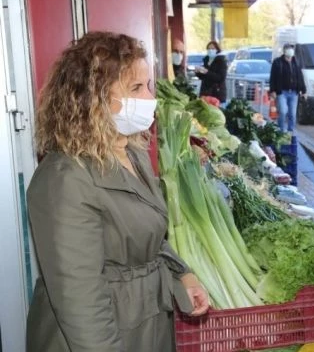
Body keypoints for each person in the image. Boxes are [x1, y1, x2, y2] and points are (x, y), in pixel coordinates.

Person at [26, 32, 209, 352]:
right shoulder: (64, 179)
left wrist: (182, 275)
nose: (150, 97)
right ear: (93, 99)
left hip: (144, 324)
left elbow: (149, 237)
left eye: (148, 85)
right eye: (136, 88)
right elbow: (81, 303)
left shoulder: (132, 153)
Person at [269, 43, 307, 132]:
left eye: (291, 49)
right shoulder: (277, 62)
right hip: (282, 92)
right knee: (283, 111)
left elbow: (300, 77)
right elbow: (273, 77)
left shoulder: (296, 62)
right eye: (288, 49)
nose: (290, 51)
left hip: (294, 92)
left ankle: (290, 131)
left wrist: (304, 91)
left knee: (292, 114)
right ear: (284, 51)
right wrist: (273, 90)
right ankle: (281, 130)